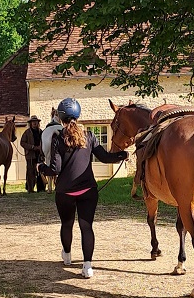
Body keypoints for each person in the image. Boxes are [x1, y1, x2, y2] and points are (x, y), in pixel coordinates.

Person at [38, 97, 128, 279]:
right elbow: (105, 158)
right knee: (86, 227)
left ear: (60, 117)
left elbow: (55, 169)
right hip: (88, 191)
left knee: (67, 224)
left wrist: (40, 167)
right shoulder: (89, 136)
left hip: (65, 193)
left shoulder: (58, 138)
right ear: (78, 115)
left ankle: (68, 256)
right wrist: (122, 155)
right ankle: (87, 266)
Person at [40, 108, 63, 191]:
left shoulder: (46, 130)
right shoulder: (61, 127)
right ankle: (59, 184)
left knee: (48, 161)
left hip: (46, 138)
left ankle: (49, 186)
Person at [20, 116, 43, 193]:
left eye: (36, 122)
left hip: (39, 155)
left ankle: (41, 188)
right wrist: (32, 147)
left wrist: (41, 148)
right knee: (30, 172)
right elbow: (22, 143)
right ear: (30, 123)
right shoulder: (27, 133)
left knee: (41, 172)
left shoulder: (41, 132)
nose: (34, 123)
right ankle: (30, 189)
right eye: (33, 122)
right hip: (30, 155)